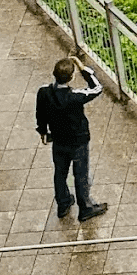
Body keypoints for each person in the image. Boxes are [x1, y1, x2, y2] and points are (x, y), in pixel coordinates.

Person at [35, 55, 108, 222]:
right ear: (71, 77)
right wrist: (82, 67)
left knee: (60, 173)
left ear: (54, 74)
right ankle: (85, 207)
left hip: (59, 140)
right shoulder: (76, 96)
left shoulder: (44, 92)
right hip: (78, 141)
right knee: (80, 174)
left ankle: (63, 203)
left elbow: (40, 113)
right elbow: (97, 88)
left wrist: (43, 132)